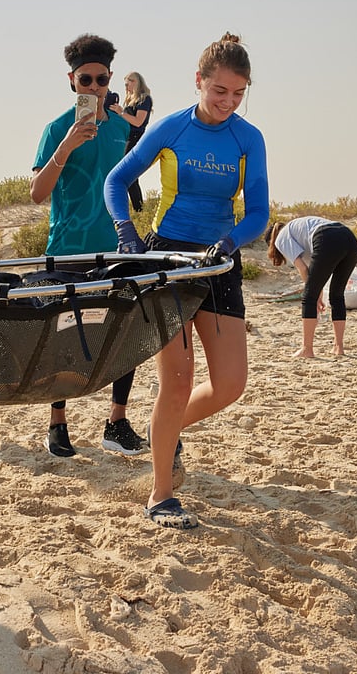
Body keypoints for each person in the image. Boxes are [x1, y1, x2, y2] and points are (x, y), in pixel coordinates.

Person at [103, 32, 270, 529]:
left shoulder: (249, 138)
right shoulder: (173, 128)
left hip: (219, 264)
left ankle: (168, 434)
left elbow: (258, 211)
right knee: (176, 381)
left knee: (230, 385)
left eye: (238, 94)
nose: (227, 102)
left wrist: (234, 239)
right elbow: (115, 181)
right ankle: (160, 495)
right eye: (219, 91)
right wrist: (126, 234)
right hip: (168, 264)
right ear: (199, 82)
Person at [29, 33, 146, 459]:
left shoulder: (119, 127)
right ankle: (57, 423)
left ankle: (116, 421)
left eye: (100, 80)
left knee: (127, 331)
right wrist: (68, 146)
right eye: (85, 81)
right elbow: (38, 193)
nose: (93, 88)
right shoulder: (56, 128)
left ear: (110, 78)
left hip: (115, 247)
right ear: (72, 81)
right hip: (67, 248)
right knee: (62, 337)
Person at [267, 217, 357, 357]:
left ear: (271, 242)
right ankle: (338, 348)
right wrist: (318, 292)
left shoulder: (281, 238)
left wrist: (314, 294)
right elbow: (317, 273)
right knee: (337, 295)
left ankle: (307, 349)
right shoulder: (298, 229)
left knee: (308, 297)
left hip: (327, 238)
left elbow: (304, 270)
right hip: (349, 238)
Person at [110, 72, 153, 212]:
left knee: (128, 175)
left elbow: (138, 122)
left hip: (136, 139)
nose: (127, 85)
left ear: (137, 82)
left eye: (130, 82)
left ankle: (138, 210)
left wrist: (121, 113)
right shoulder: (129, 100)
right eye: (126, 83)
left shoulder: (144, 99)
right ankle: (137, 210)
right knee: (129, 176)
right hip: (126, 139)